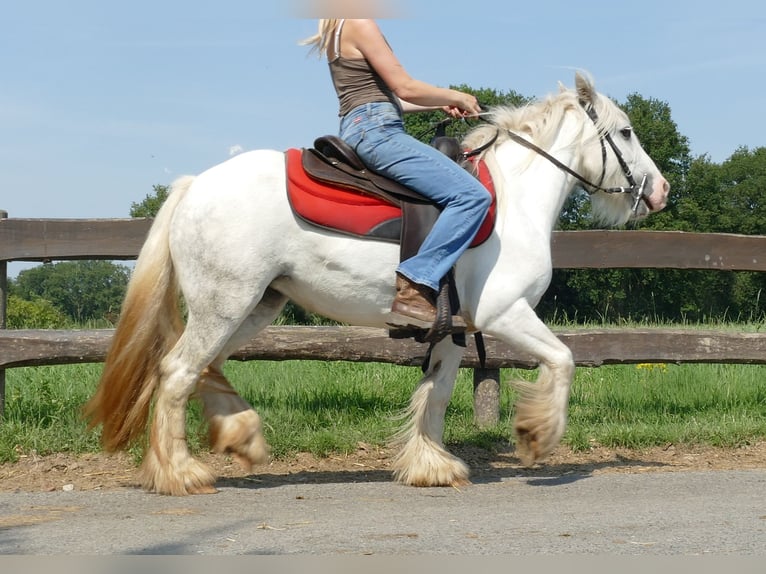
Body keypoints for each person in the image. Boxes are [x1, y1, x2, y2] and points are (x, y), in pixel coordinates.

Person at [301, 18, 492, 333]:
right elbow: (405, 86)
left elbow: (386, 97)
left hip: (363, 124)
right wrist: (457, 95)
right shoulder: (360, 23)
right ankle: (416, 285)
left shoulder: (336, 30)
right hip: (378, 130)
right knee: (471, 196)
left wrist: (439, 102)